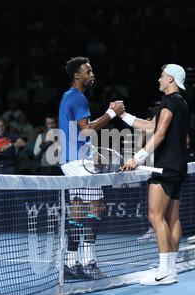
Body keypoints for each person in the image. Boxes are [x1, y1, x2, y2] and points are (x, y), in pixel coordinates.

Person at [121, 64, 188, 285]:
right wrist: (124, 116)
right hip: (178, 167)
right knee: (172, 219)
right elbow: (150, 125)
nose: (159, 79)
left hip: (165, 168)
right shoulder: (181, 103)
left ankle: (164, 271)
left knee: (154, 216)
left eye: (162, 75)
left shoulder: (169, 101)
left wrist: (136, 158)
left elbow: (159, 134)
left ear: (171, 79)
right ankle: (172, 269)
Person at [58, 56, 124, 279]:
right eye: (88, 71)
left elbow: (78, 135)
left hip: (72, 160)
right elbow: (86, 130)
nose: (92, 74)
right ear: (78, 75)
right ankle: (89, 262)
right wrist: (112, 113)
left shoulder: (70, 96)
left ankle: (70, 263)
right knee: (97, 207)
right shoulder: (77, 98)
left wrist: (93, 153)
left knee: (77, 208)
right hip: (77, 163)